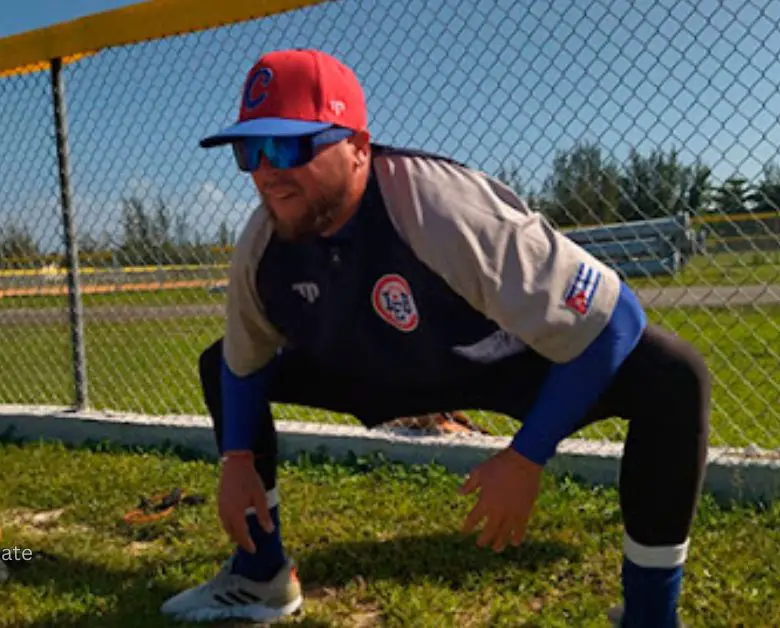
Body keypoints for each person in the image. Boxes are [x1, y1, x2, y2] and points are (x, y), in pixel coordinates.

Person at [160, 48, 711, 627]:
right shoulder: (263, 244)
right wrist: (237, 458)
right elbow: (243, 364)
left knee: (673, 375)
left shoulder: (442, 207)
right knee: (218, 362)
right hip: (367, 369)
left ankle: (649, 616)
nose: (266, 171)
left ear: (357, 146)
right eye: (250, 150)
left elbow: (614, 316)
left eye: (290, 145)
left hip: (492, 363)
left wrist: (527, 455)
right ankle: (260, 577)